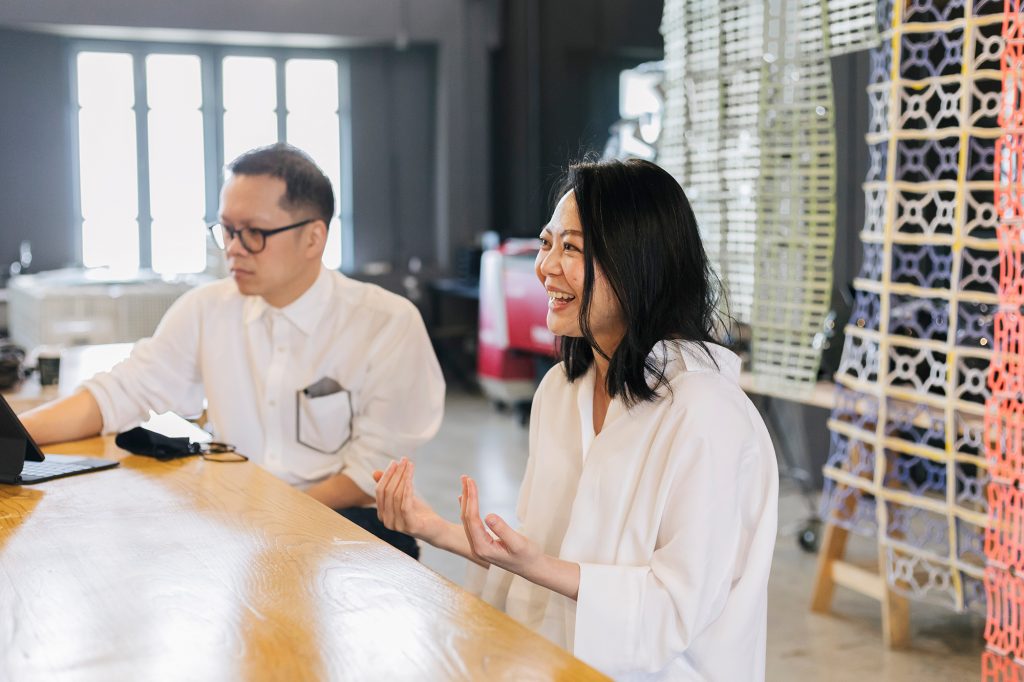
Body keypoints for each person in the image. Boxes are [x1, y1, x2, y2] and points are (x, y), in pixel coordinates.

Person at [373, 158, 778, 679]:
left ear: (638, 263)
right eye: (546, 243)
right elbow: (538, 561)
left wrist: (538, 566)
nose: (545, 266)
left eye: (571, 248)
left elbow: (676, 608)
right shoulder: (562, 391)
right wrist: (432, 528)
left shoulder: (708, 414)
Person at [20, 143, 445, 558]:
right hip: (243, 516)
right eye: (227, 230)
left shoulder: (386, 323)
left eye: (255, 233)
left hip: (347, 528)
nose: (234, 249)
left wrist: (267, 520)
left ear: (314, 238)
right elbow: (122, 392)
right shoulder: (208, 308)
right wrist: (16, 433)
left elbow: (372, 471)